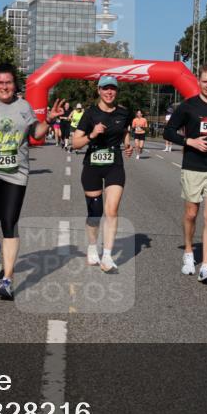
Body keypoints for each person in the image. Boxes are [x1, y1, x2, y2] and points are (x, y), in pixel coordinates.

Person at [0, 63, 66, 300]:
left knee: (9, 222)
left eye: (8, 82)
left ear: (14, 85)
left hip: (16, 171)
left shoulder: (23, 106)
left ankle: (8, 280)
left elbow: (36, 134)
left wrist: (48, 119)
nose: (4, 87)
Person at [163, 63, 207, 284]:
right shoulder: (188, 106)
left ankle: (206, 265)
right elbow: (168, 131)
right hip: (192, 167)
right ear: (198, 82)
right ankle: (189, 252)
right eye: (205, 81)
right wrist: (189, 141)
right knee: (191, 214)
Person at [72, 75, 133, 272]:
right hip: (92, 166)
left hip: (114, 164)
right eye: (105, 88)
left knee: (112, 209)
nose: (109, 92)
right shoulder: (90, 114)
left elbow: (125, 131)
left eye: (112, 89)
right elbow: (75, 143)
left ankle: (107, 257)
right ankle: (92, 247)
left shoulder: (124, 113)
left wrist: (127, 144)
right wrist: (92, 134)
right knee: (95, 212)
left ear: (116, 91)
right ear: (98, 90)